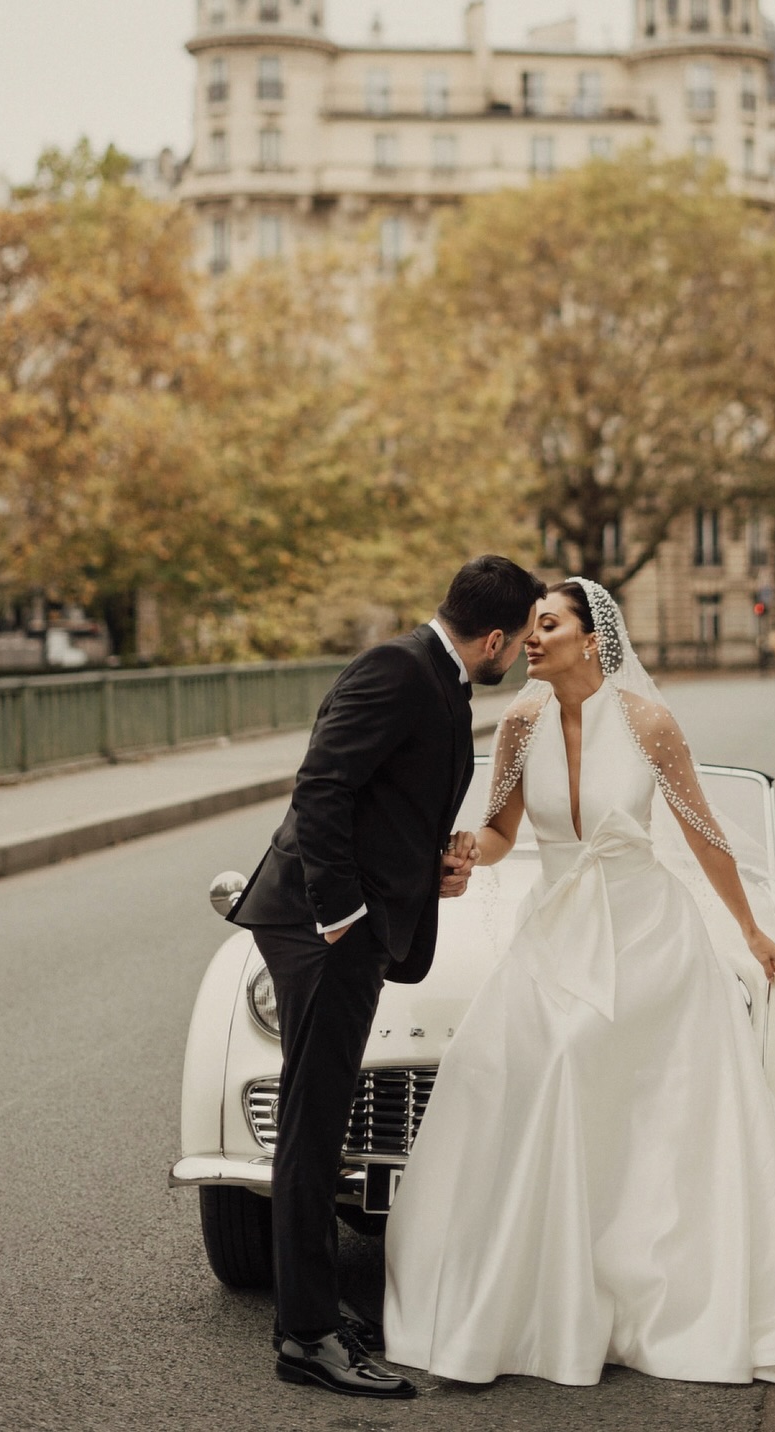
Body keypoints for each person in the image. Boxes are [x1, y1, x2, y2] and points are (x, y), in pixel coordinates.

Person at [383, 578, 775, 1401]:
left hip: (644, 935)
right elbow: (499, 833)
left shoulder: (648, 723)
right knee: (506, 1071)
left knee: (590, 1072)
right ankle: (541, 1289)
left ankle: (628, 1285)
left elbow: (704, 835)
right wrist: (462, 856)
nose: (532, 637)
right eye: (530, 626)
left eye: (547, 624)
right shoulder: (520, 721)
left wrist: (751, 931)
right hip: (555, 931)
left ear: (591, 640)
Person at [227, 554, 546, 1400]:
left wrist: (427, 867)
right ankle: (306, 1338)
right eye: (514, 646)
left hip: (352, 923)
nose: (513, 660)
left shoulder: (432, 676)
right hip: (320, 926)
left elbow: (385, 801)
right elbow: (323, 785)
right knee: (313, 1123)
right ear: (492, 636)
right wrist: (342, 916)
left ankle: (314, 1304)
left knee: (318, 1117)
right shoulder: (396, 671)